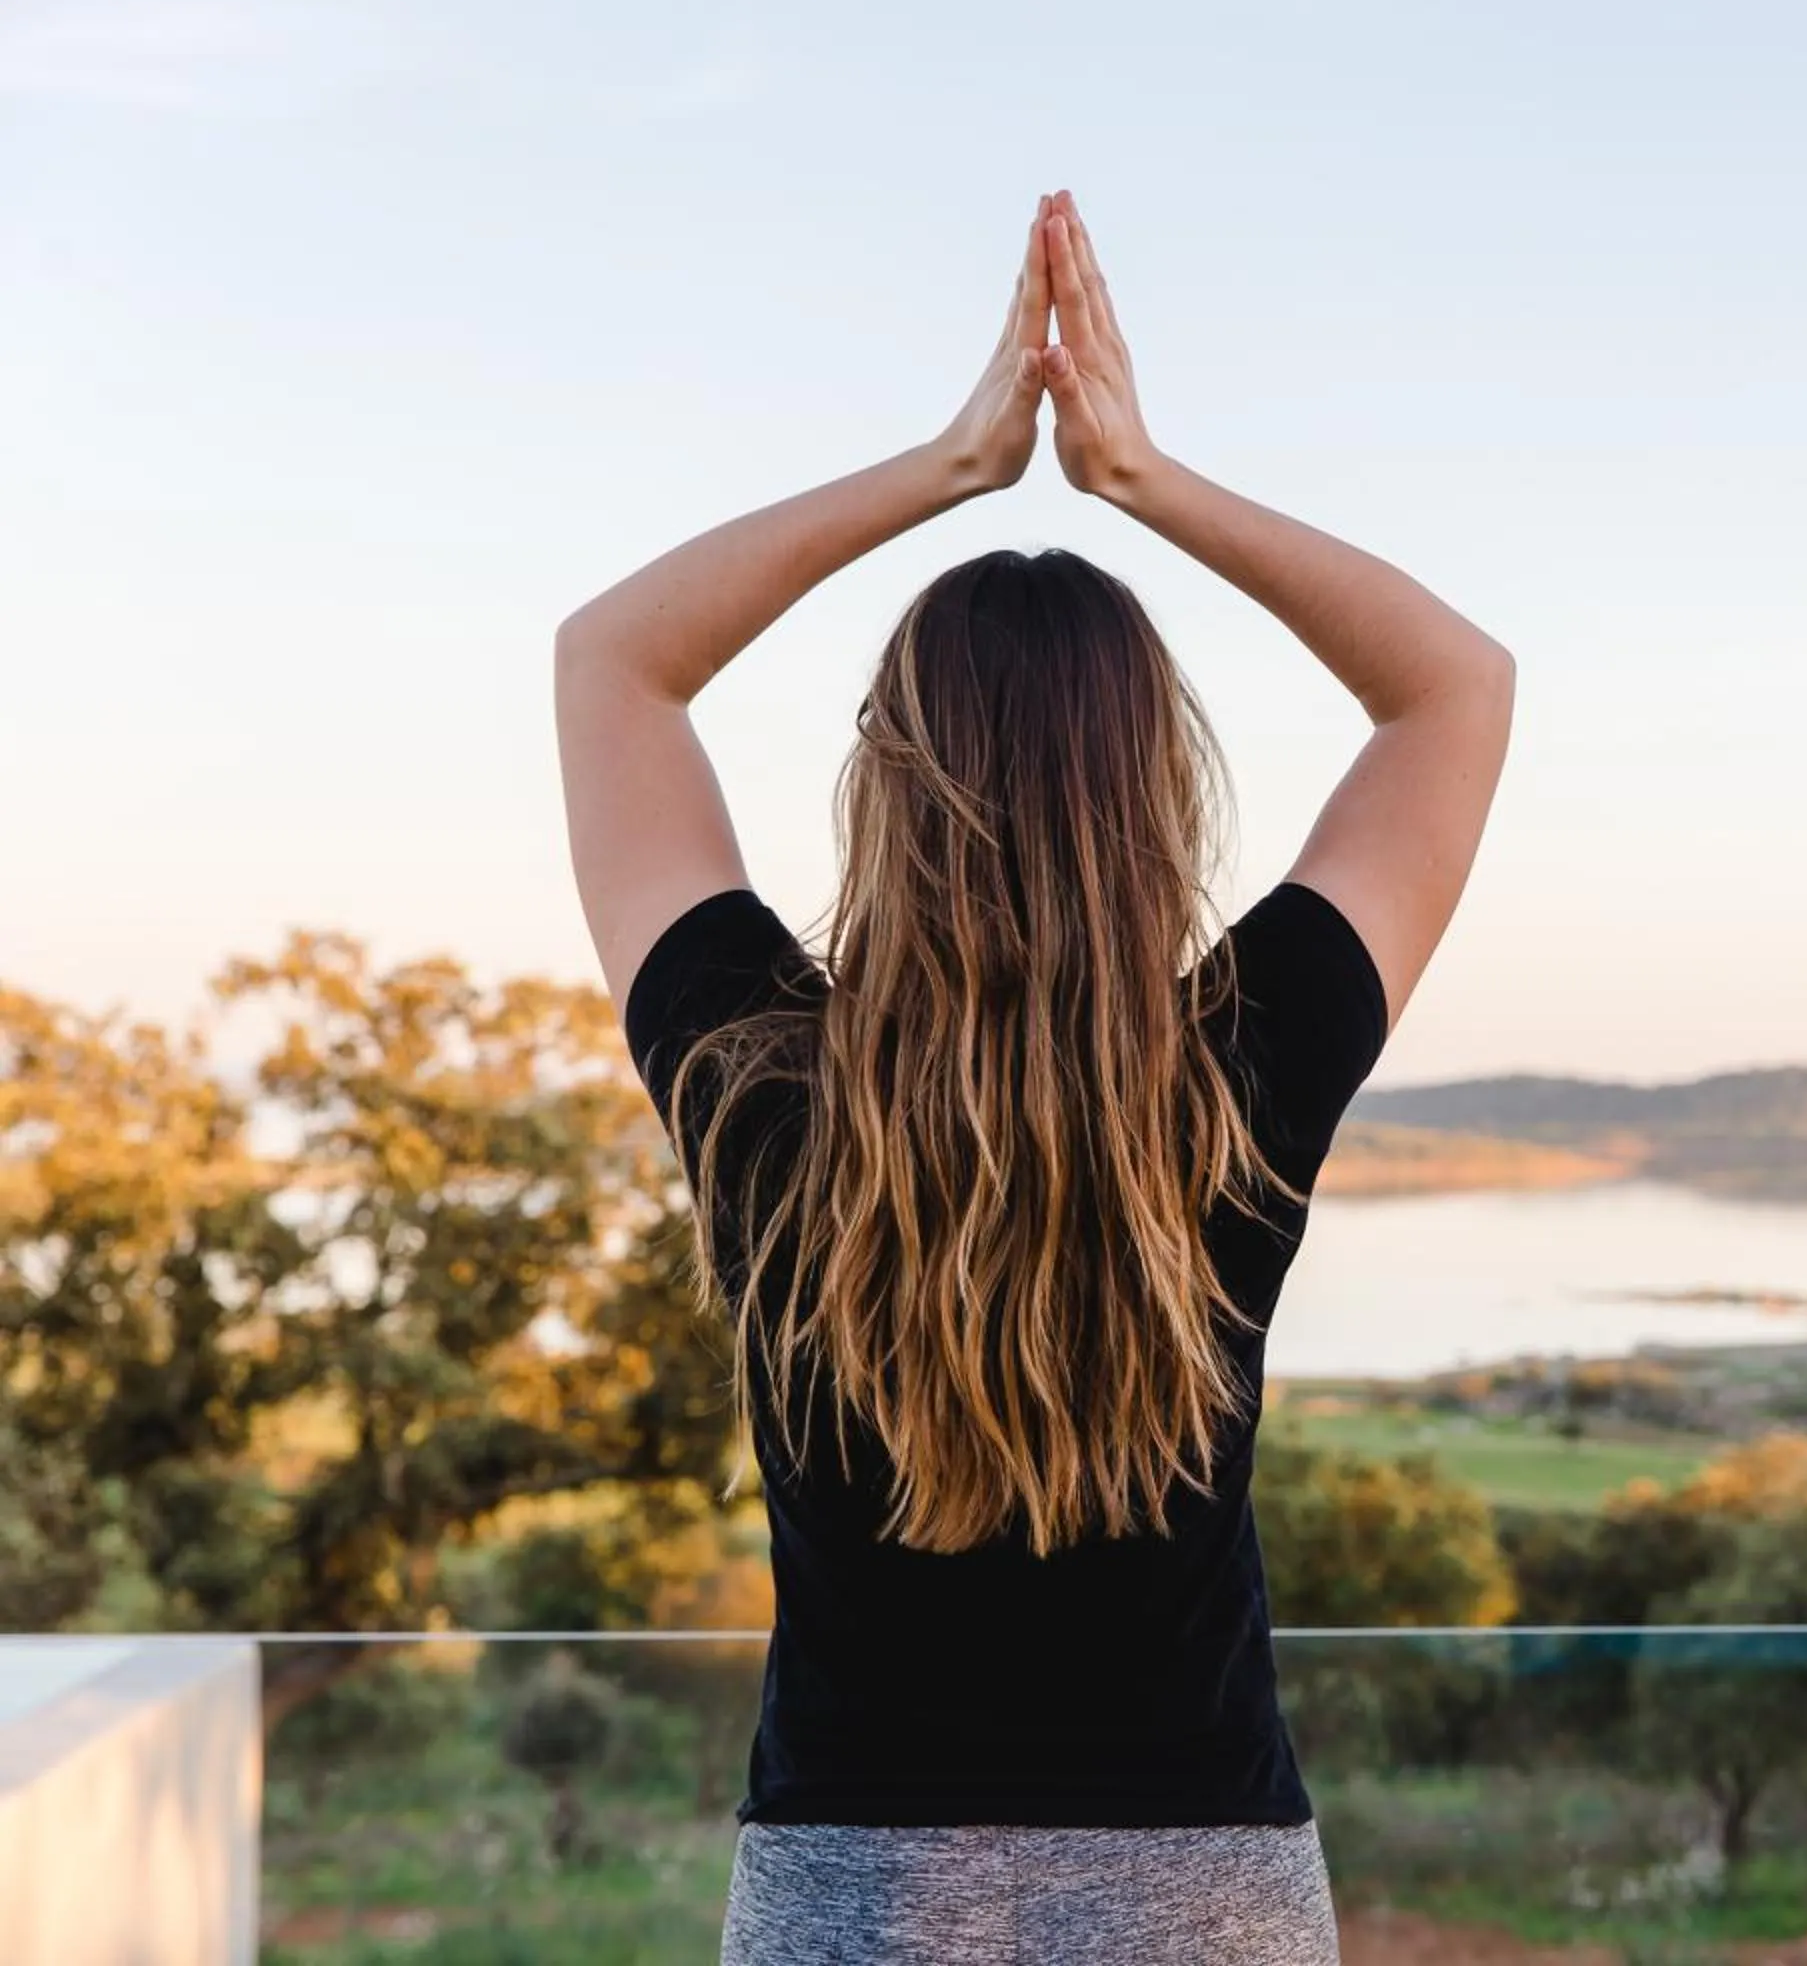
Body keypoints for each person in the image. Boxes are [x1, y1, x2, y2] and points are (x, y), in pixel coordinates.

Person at [553, 189, 1514, 1964]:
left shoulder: (760, 1081)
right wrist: (1146, 477)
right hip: (1204, 1891)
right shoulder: (1244, 1068)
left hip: (852, 1895)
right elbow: (1453, 689)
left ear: (884, 784)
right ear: (1157, 789)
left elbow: (612, 667)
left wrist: (950, 465)